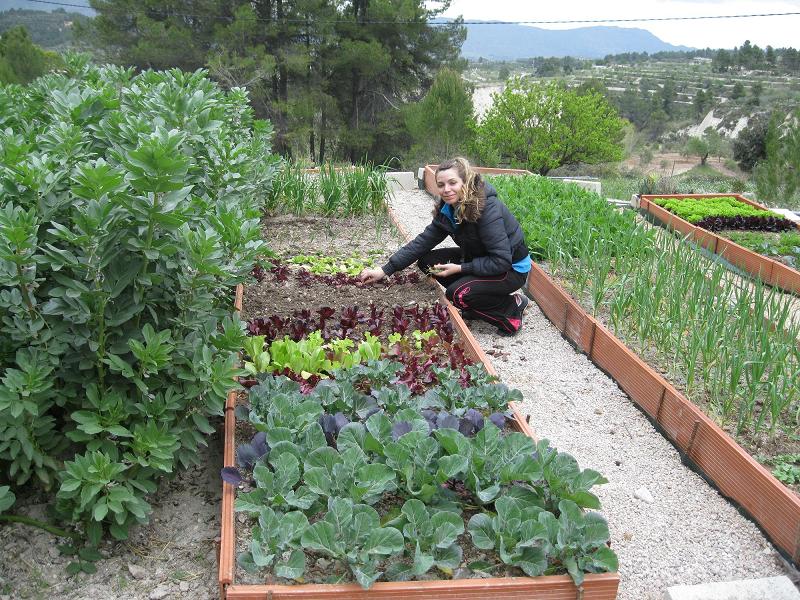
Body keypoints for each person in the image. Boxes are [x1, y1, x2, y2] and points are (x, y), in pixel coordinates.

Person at [359, 157, 532, 336]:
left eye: (452, 183)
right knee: (428, 262)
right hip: (481, 258)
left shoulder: (487, 209)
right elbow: (423, 242)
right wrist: (385, 269)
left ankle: (512, 308)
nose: (446, 189)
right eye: (441, 185)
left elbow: (501, 261)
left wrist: (459, 268)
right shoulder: (449, 209)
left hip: (511, 268)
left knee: (458, 294)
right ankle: (479, 299)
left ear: (465, 182)